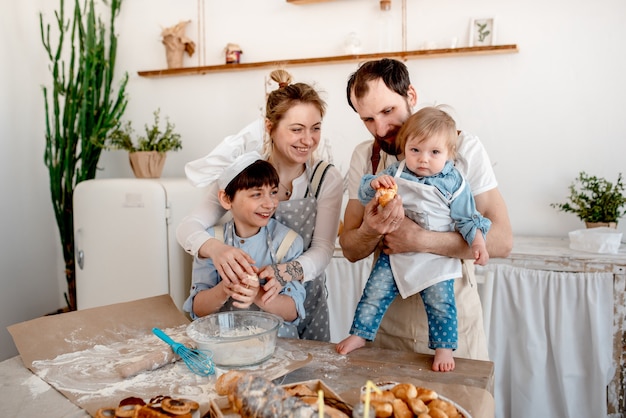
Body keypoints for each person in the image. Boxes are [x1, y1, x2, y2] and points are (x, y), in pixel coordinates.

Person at [340, 58, 513, 360]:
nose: (380, 128)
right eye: (367, 119)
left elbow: (502, 240)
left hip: (455, 331)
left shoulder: (464, 149)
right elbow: (350, 249)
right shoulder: (365, 157)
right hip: (387, 329)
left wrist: (419, 239)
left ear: (411, 96)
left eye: (387, 111)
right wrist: (371, 230)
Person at [177, 69, 343, 342]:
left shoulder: (325, 177)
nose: (308, 140)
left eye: (315, 128)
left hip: (298, 299)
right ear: (270, 127)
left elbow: (323, 250)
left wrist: (281, 273)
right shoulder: (243, 174)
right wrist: (216, 250)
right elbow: (188, 227)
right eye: (296, 129)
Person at [182, 156, 306, 337]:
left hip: (280, 347)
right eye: (256, 194)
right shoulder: (211, 240)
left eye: (273, 192)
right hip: (225, 346)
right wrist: (225, 289)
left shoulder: (288, 242)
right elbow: (198, 309)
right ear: (226, 198)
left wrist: (256, 293)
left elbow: (293, 311)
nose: (269, 203)